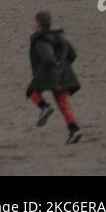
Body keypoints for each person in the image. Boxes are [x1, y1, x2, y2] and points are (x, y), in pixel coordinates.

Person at [27, 11, 83, 144]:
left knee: (33, 91)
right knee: (63, 103)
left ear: (38, 24)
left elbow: (47, 57)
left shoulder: (40, 40)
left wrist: (52, 64)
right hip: (65, 75)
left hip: (50, 74)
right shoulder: (60, 37)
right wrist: (63, 65)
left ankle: (44, 107)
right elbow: (73, 55)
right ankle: (74, 130)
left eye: (35, 22)